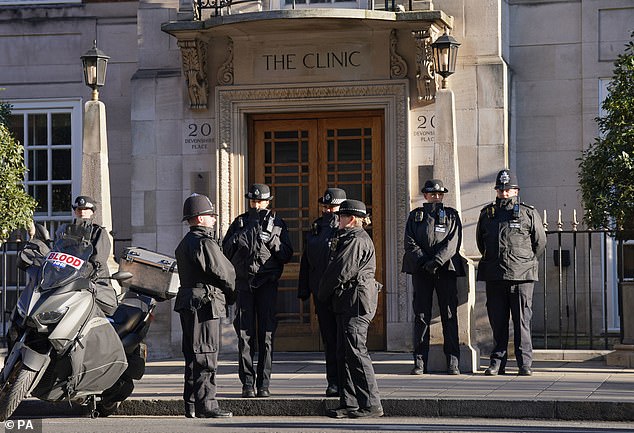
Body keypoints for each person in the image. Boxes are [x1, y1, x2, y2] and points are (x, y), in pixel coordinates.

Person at [222, 184, 293, 398]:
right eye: (253, 201)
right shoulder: (240, 221)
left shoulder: (277, 223)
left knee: (266, 336)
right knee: (244, 336)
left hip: (267, 284)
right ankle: (247, 384)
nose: (257, 205)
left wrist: (271, 240)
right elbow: (225, 251)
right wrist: (238, 237)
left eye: (260, 201)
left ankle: (263, 384)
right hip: (244, 284)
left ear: (268, 202)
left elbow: (287, 255)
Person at [476, 169, 546, 376]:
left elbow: (539, 243)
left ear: (516, 190)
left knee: (522, 320)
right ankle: (497, 362)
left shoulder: (528, 213)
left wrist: (523, 262)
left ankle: (525, 363)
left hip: (521, 275)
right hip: (495, 274)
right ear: (496, 191)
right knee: (497, 322)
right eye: (500, 190)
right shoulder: (487, 214)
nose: (504, 193)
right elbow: (481, 242)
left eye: (508, 190)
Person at [318, 199, 383, 419]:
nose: (338, 220)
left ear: (352, 219)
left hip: (355, 303)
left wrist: (321, 293)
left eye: (342, 216)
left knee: (355, 352)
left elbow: (340, 270)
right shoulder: (347, 237)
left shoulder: (356, 239)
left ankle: (371, 404)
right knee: (343, 353)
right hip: (345, 301)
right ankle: (350, 403)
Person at [174, 193, 236, 418]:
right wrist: (231, 293)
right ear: (199, 218)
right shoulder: (204, 242)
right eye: (210, 215)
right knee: (206, 354)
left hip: (190, 301)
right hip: (205, 303)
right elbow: (225, 272)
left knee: (192, 354)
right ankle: (207, 404)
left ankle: (191, 404)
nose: (213, 219)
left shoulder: (185, 243)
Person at [402, 179, 465, 376]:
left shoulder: (452, 215)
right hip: (421, 271)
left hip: (445, 269)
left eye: (439, 194)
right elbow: (409, 242)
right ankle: (420, 361)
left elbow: (453, 242)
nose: (436, 197)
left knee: (449, 315)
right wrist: (423, 261)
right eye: (432, 194)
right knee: (421, 316)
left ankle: (453, 361)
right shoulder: (415, 216)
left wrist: (436, 261)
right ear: (425, 195)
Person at [298, 187, 346, 397]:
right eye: (326, 206)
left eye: (332, 207)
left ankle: (347, 382)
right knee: (329, 339)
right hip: (322, 292)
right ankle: (333, 381)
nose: (328, 211)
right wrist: (304, 289)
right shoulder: (316, 228)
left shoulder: (347, 229)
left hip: (342, 293)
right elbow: (306, 262)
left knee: (345, 339)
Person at [71, 195, 118, 315]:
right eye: (79, 209)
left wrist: (83, 273)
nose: (82, 212)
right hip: (70, 279)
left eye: (85, 209)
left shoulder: (98, 232)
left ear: (92, 212)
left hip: (94, 279)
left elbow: (98, 259)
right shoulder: (67, 231)